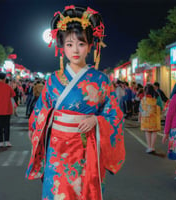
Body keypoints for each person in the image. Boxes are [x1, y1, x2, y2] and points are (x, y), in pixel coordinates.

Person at [25, 6, 125, 200]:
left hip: (86, 147)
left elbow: (114, 114)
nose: (75, 50)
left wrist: (97, 120)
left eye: (81, 43)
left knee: (84, 193)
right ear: (61, 47)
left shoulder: (101, 80)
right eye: (69, 44)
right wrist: (42, 124)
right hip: (56, 149)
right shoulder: (53, 79)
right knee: (58, 193)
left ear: (90, 46)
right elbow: (40, 111)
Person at [139, 83, 163, 153]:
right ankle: (152, 147)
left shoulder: (143, 98)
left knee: (148, 132)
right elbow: (161, 106)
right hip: (155, 117)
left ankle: (149, 146)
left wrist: (140, 117)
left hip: (146, 118)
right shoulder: (157, 97)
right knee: (154, 132)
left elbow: (140, 108)